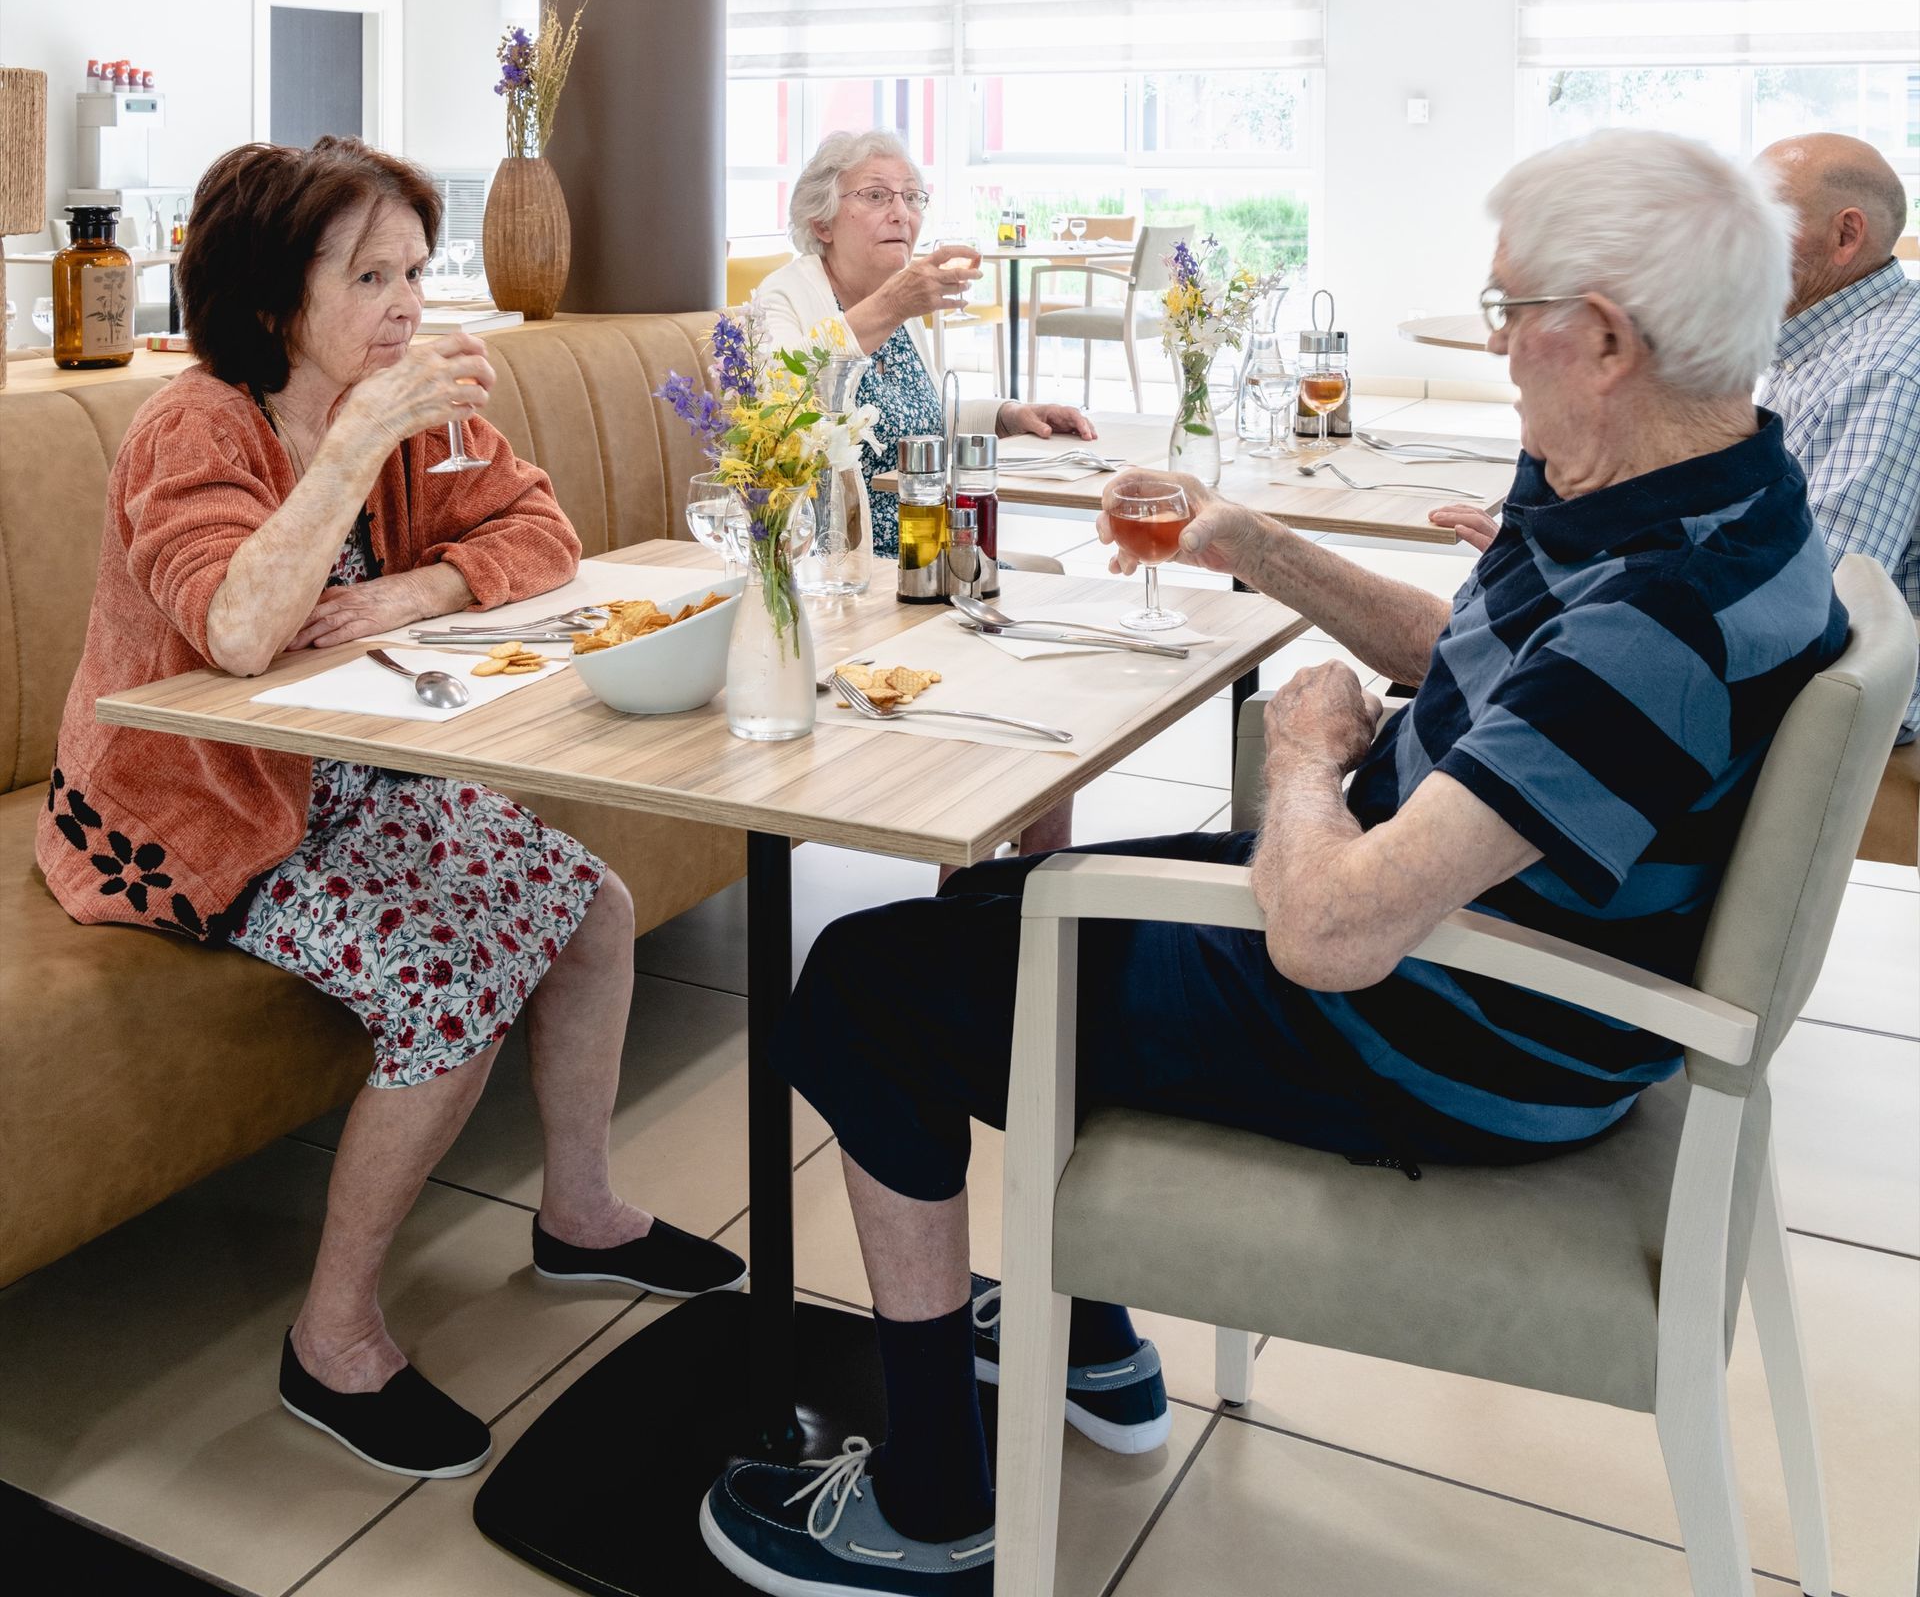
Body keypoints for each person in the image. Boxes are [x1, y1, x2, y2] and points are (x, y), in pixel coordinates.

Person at [697, 129, 1848, 1595]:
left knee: (864, 981)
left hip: (1446, 1020)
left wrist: (1305, 755)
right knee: (993, 911)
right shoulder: (1705, 498)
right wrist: (1255, 545)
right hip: (1487, 941)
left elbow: (1327, 930)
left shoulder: (1656, 618)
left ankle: (929, 1508)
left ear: (1606, 338)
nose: (1498, 354)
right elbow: (1488, 668)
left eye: (1507, 318)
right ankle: (1087, 1340)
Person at [39, 138, 743, 1482]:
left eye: (418, 269)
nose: (410, 304)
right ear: (268, 301)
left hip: (349, 773)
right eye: (370, 276)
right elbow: (239, 633)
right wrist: (359, 436)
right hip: (195, 807)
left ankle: (582, 1214)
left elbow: (542, 534)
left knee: (593, 909)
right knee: (449, 976)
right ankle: (333, 1336)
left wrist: (418, 591)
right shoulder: (195, 425)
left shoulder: (417, 405)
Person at [1432, 131, 1918, 757]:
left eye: (1762, 220)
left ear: (1846, 237)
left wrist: (1599, 582)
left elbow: (1806, 604)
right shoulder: (1827, 343)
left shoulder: (1887, 370)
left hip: (1826, 715)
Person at [755, 129, 1097, 560]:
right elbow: (783, 401)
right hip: (846, 565)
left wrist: (1009, 415)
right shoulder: (786, 294)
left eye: (912, 197)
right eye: (877, 195)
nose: (902, 213)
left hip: (931, 550)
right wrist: (893, 303)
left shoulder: (896, 300)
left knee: (1050, 584)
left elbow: (927, 419)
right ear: (822, 223)